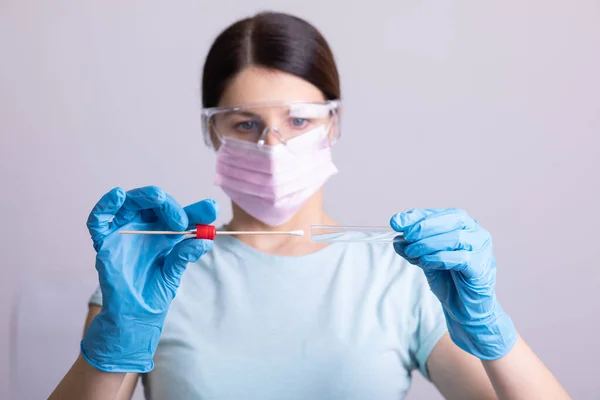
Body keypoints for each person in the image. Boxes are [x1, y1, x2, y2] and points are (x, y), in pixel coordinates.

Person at [50, 11, 570, 400]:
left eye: (299, 120)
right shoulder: (150, 274)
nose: (273, 146)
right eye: (246, 124)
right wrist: (118, 336)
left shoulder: (404, 275)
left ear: (333, 123)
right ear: (213, 131)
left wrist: (493, 332)